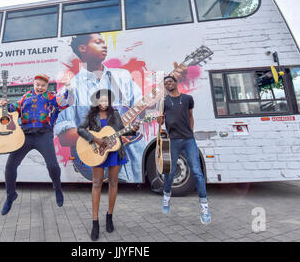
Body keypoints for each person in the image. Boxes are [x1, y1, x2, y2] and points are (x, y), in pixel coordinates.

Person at [54, 33, 146, 183]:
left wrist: (164, 93)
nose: (105, 46)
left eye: (104, 42)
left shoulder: (122, 77)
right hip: (98, 159)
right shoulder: (71, 89)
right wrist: (102, 139)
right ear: (82, 48)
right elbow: (64, 137)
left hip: (135, 158)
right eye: (98, 42)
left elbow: (143, 112)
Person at [0, 74, 72, 215]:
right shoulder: (25, 97)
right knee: (10, 166)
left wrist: (68, 88)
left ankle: (57, 188)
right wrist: (4, 105)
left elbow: (64, 103)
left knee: (52, 166)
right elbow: (13, 108)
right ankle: (10, 195)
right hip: (25, 135)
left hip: (43, 135)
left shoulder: (51, 97)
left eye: (43, 85)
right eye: (37, 84)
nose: (40, 87)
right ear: (34, 84)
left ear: (46, 86)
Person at [77, 89, 140, 241]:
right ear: (96, 102)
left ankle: (109, 216)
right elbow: (80, 130)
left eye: (106, 101)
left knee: (113, 183)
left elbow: (120, 133)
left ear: (109, 102)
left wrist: (132, 130)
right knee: (97, 183)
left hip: (114, 151)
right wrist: (96, 139)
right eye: (101, 101)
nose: (103, 104)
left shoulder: (115, 114)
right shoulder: (91, 115)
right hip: (97, 151)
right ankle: (95, 222)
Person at [157, 75, 211, 225]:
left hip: (188, 140)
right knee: (170, 171)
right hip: (172, 140)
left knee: (197, 172)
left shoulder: (188, 98)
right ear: (165, 87)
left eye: (170, 81)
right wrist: (159, 121)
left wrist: (191, 132)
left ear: (176, 83)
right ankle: (166, 197)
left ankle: (204, 207)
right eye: (166, 83)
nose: (168, 84)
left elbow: (190, 116)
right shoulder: (164, 102)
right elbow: (161, 120)